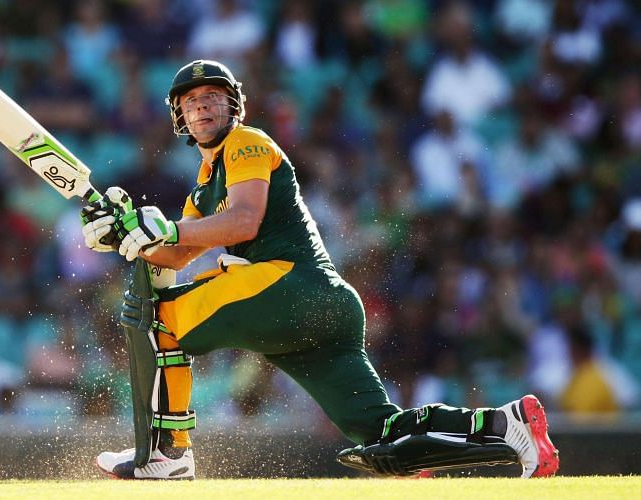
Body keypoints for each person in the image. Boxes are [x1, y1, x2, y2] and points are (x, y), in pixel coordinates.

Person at [80, 59, 559, 480]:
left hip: (291, 284)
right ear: (179, 117)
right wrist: (124, 239)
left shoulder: (246, 142)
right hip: (321, 309)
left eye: (212, 97)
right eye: (191, 102)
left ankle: (168, 453)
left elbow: (242, 220)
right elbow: (174, 254)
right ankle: (506, 425)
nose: (202, 107)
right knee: (382, 436)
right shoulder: (203, 185)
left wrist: (164, 230)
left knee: (158, 317)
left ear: (233, 107)